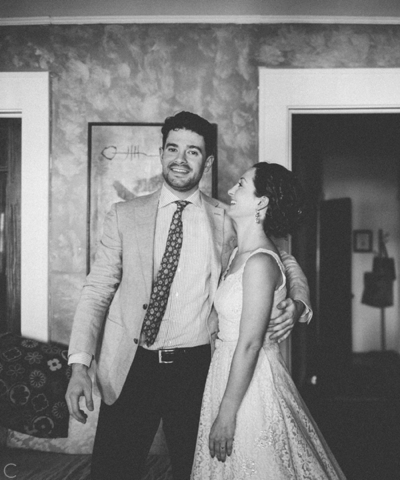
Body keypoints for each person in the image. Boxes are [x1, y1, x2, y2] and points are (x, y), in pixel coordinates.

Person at [65, 112, 312, 480]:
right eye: (173, 149)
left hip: (198, 369)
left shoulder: (227, 217)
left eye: (193, 152)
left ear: (207, 161)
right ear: (161, 153)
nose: (180, 159)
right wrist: (78, 365)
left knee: (195, 471)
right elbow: (97, 290)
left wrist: (299, 304)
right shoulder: (124, 215)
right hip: (130, 366)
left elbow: (282, 258)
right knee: (112, 472)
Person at [191, 162, 345, 479]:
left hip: (250, 379)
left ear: (261, 202)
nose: (231, 191)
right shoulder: (237, 254)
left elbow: (250, 343)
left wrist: (227, 412)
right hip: (222, 371)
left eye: (241, 185)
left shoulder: (261, 261)